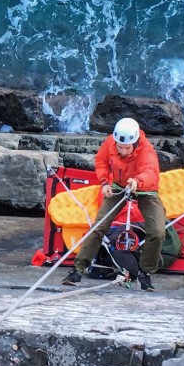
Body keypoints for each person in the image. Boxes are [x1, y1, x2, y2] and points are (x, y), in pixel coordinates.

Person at [62, 117, 164, 291]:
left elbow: (150, 172)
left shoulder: (147, 152)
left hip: (144, 189)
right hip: (117, 185)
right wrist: (104, 183)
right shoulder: (111, 142)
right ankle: (78, 269)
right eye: (120, 147)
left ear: (136, 143)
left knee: (157, 231)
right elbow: (101, 161)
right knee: (99, 226)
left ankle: (145, 273)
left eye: (127, 148)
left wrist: (137, 182)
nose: (123, 151)